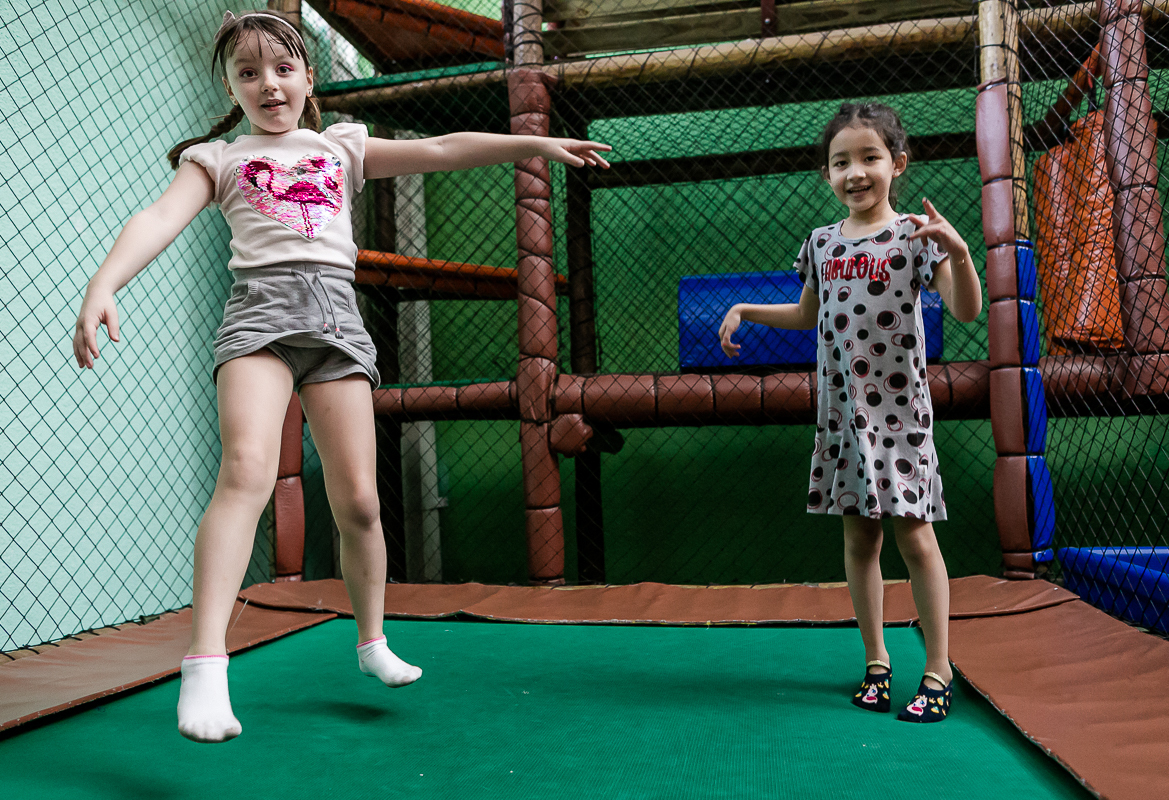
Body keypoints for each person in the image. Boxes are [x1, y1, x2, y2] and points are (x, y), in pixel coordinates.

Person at [72, 10, 611, 743]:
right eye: (250, 73)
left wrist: (534, 142)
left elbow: (443, 147)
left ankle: (372, 641)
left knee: (359, 497)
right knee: (247, 472)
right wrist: (105, 283)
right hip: (260, 317)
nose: (269, 85)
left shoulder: (339, 148)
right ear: (231, 86)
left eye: (283, 68)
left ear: (308, 77)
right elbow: (156, 218)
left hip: (335, 321)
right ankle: (204, 665)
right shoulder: (218, 159)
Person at [718, 102, 981, 722]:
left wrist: (961, 253)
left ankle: (938, 671)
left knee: (915, 537)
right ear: (826, 175)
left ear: (898, 165)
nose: (855, 172)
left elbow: (966, 310)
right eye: (841, 163)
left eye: (869, 158)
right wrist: (748, 309)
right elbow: (808, 314)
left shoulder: (917, 235)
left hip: (899, 414)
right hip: (841, 415)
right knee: (859, 536)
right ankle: (876, 663)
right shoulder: (821, 243)